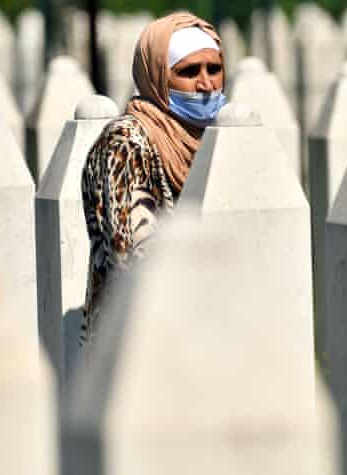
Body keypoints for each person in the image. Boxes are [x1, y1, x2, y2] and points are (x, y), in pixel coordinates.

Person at [80, 12, 227, 348]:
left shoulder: (211, 140)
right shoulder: (126, 143)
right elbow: (132, 255)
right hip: (137, 346)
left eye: (213, 69)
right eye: (188, 72)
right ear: (157, 75)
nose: (206, 85)